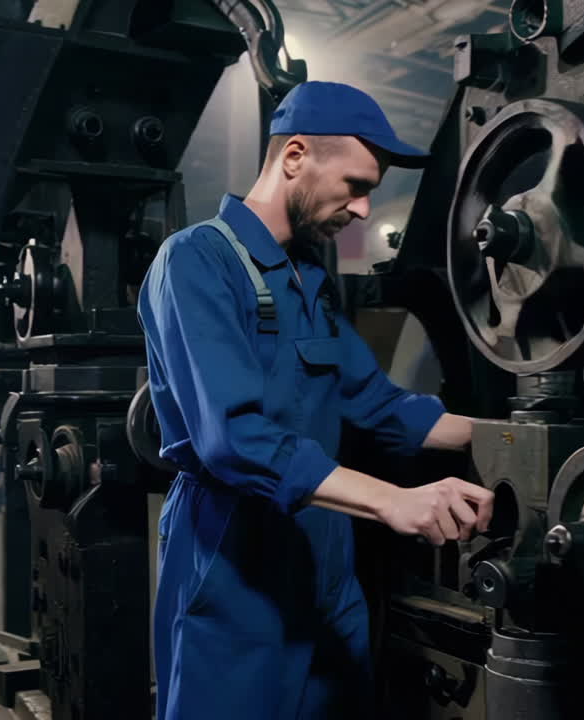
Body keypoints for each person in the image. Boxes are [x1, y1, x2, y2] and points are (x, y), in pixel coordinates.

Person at [138, 81, 496, 720]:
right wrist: (394, 502)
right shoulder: (196, 262)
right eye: (357, 186)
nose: (362, 210)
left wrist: (511, 439)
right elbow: (232, 439)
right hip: (234, 561)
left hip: (325, 560)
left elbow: (380, 405)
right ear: (295, 156)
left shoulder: (309, 280)